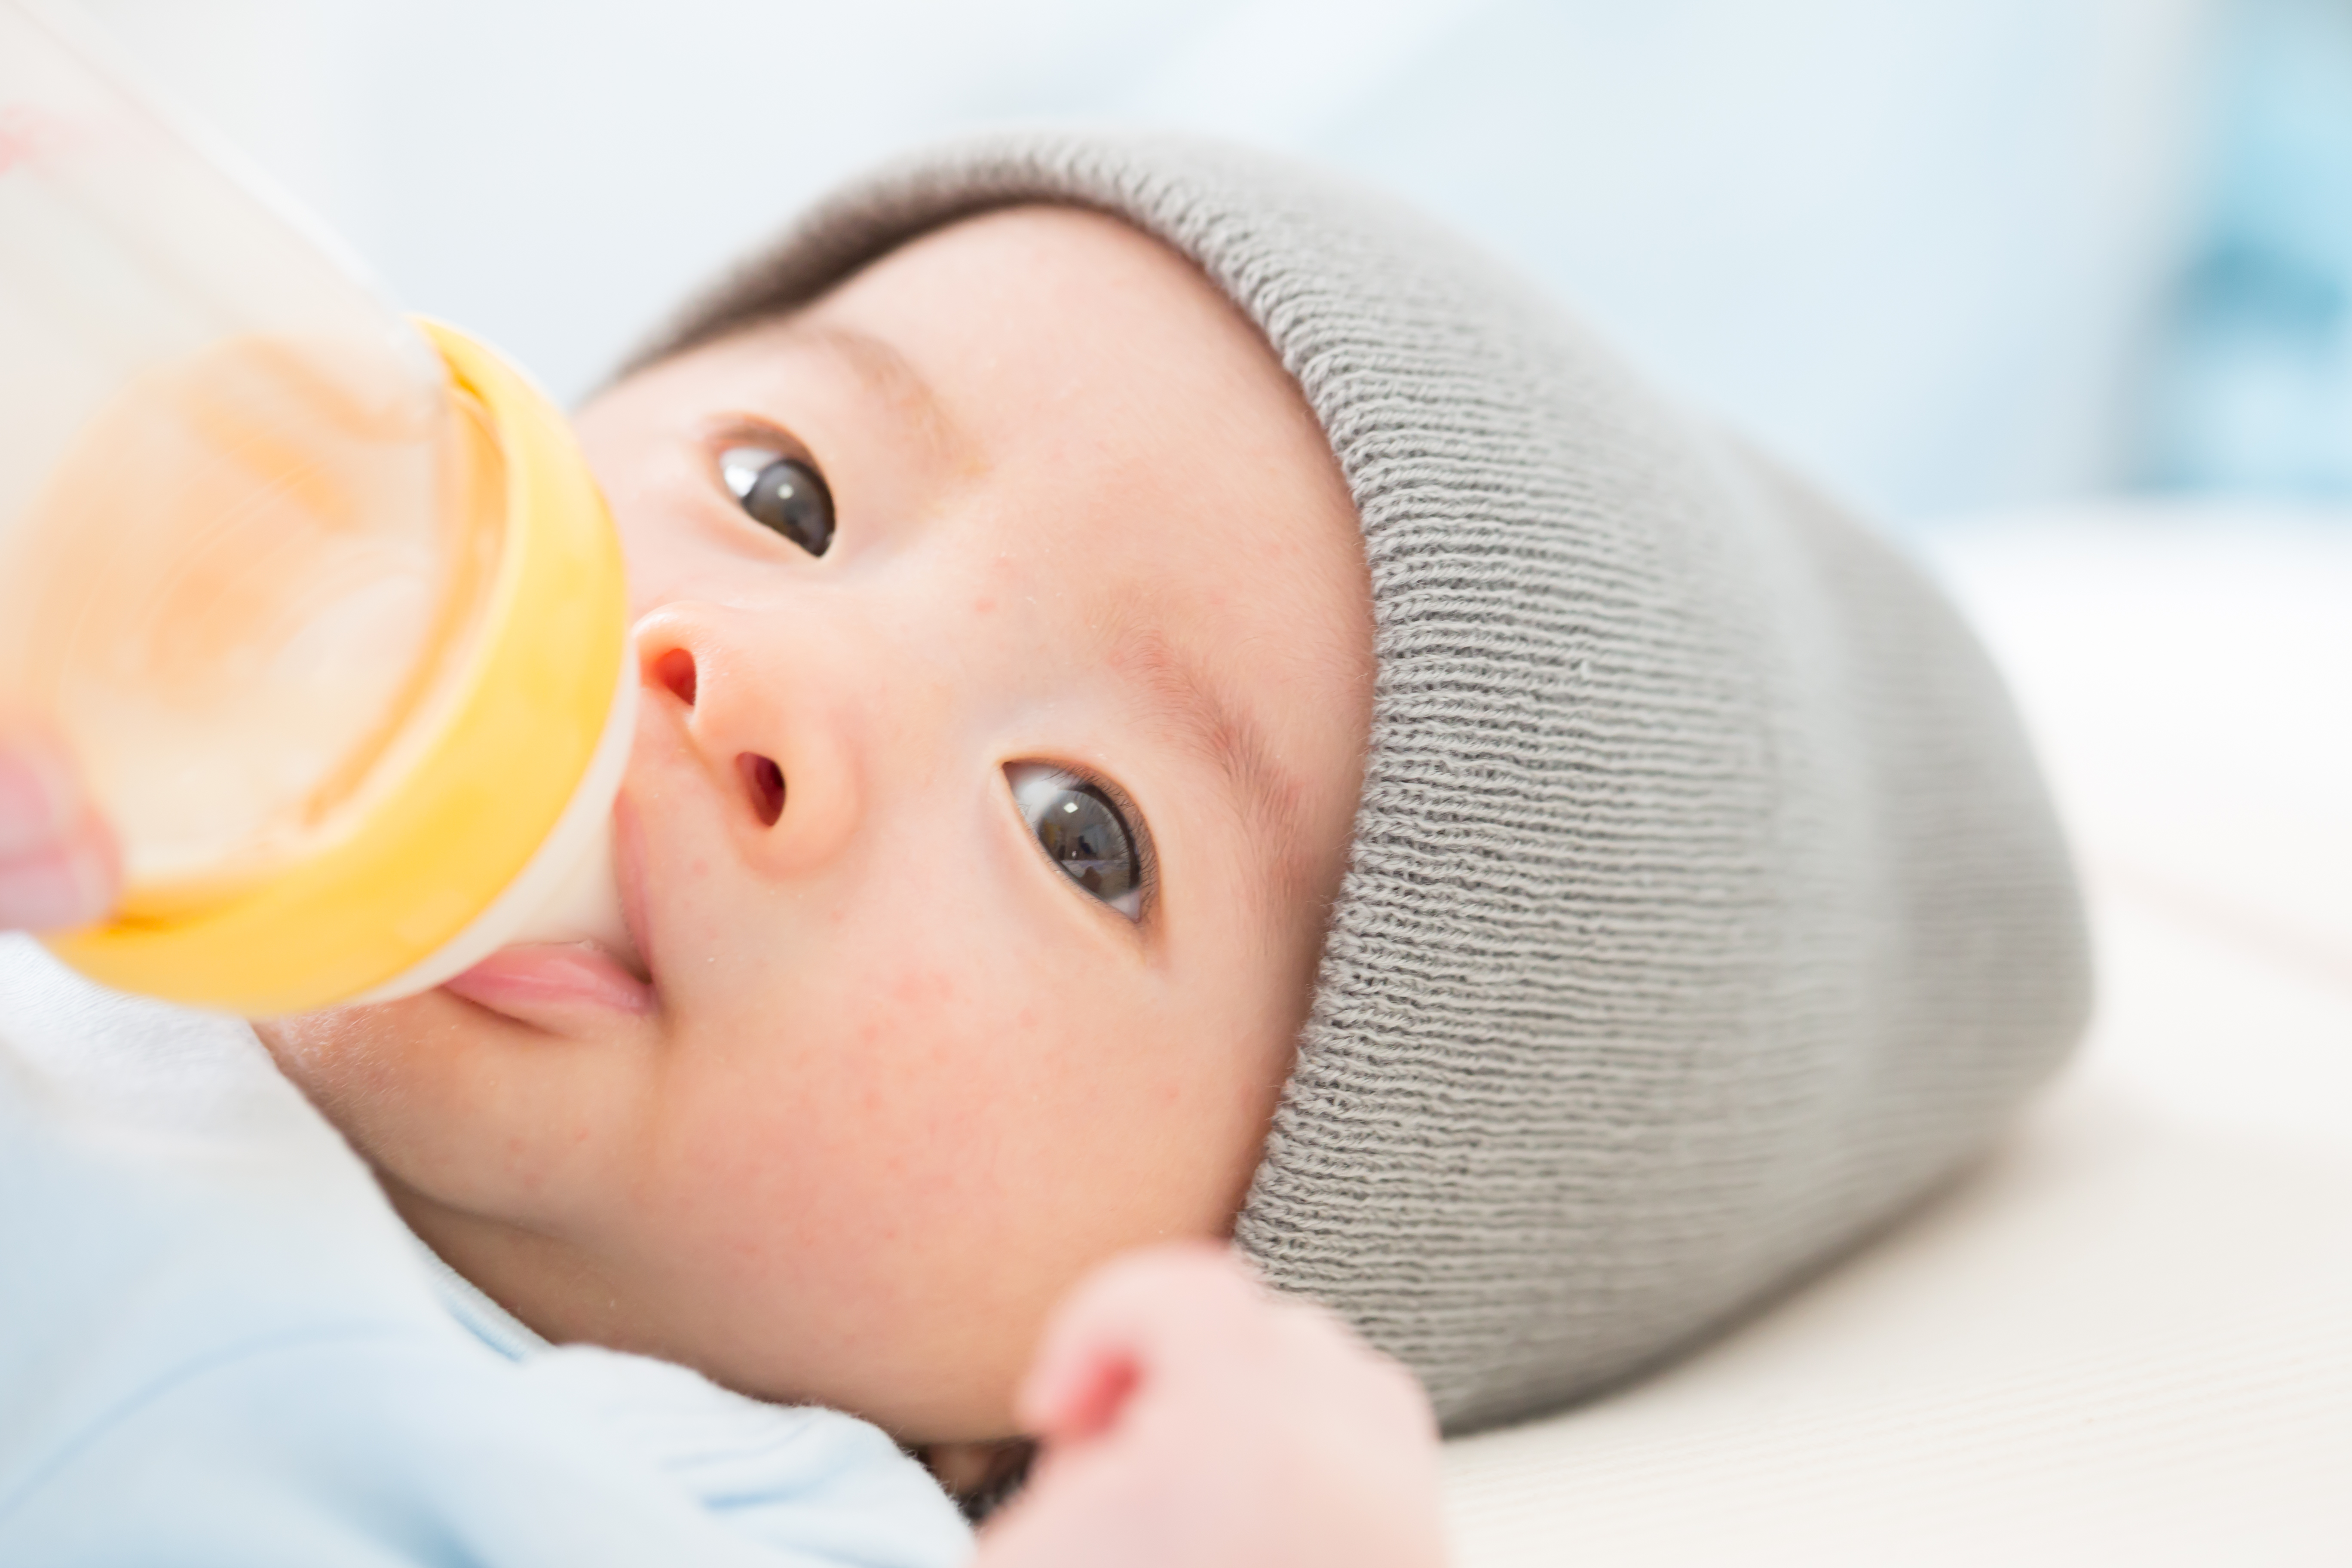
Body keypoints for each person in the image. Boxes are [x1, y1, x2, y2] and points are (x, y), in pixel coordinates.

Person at [0, 130, 2089, 1559]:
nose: (761, 680)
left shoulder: (717, 1506)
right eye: (786, 490)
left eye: (1084, 835)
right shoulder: (82, 811)